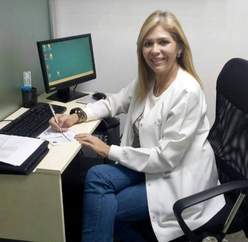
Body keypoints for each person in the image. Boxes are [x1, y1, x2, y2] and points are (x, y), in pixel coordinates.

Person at [50, 10, 225, 242]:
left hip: (177, 179)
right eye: (148, 43)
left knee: (102, 208)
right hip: (149, 167)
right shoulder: (151, 79)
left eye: (164, 42)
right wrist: (77, 115)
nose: (155, 50)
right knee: (96, 176)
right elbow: (114, 102)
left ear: (179, 47)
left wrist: (107, 149)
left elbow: (165, 159)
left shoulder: (186, 91)